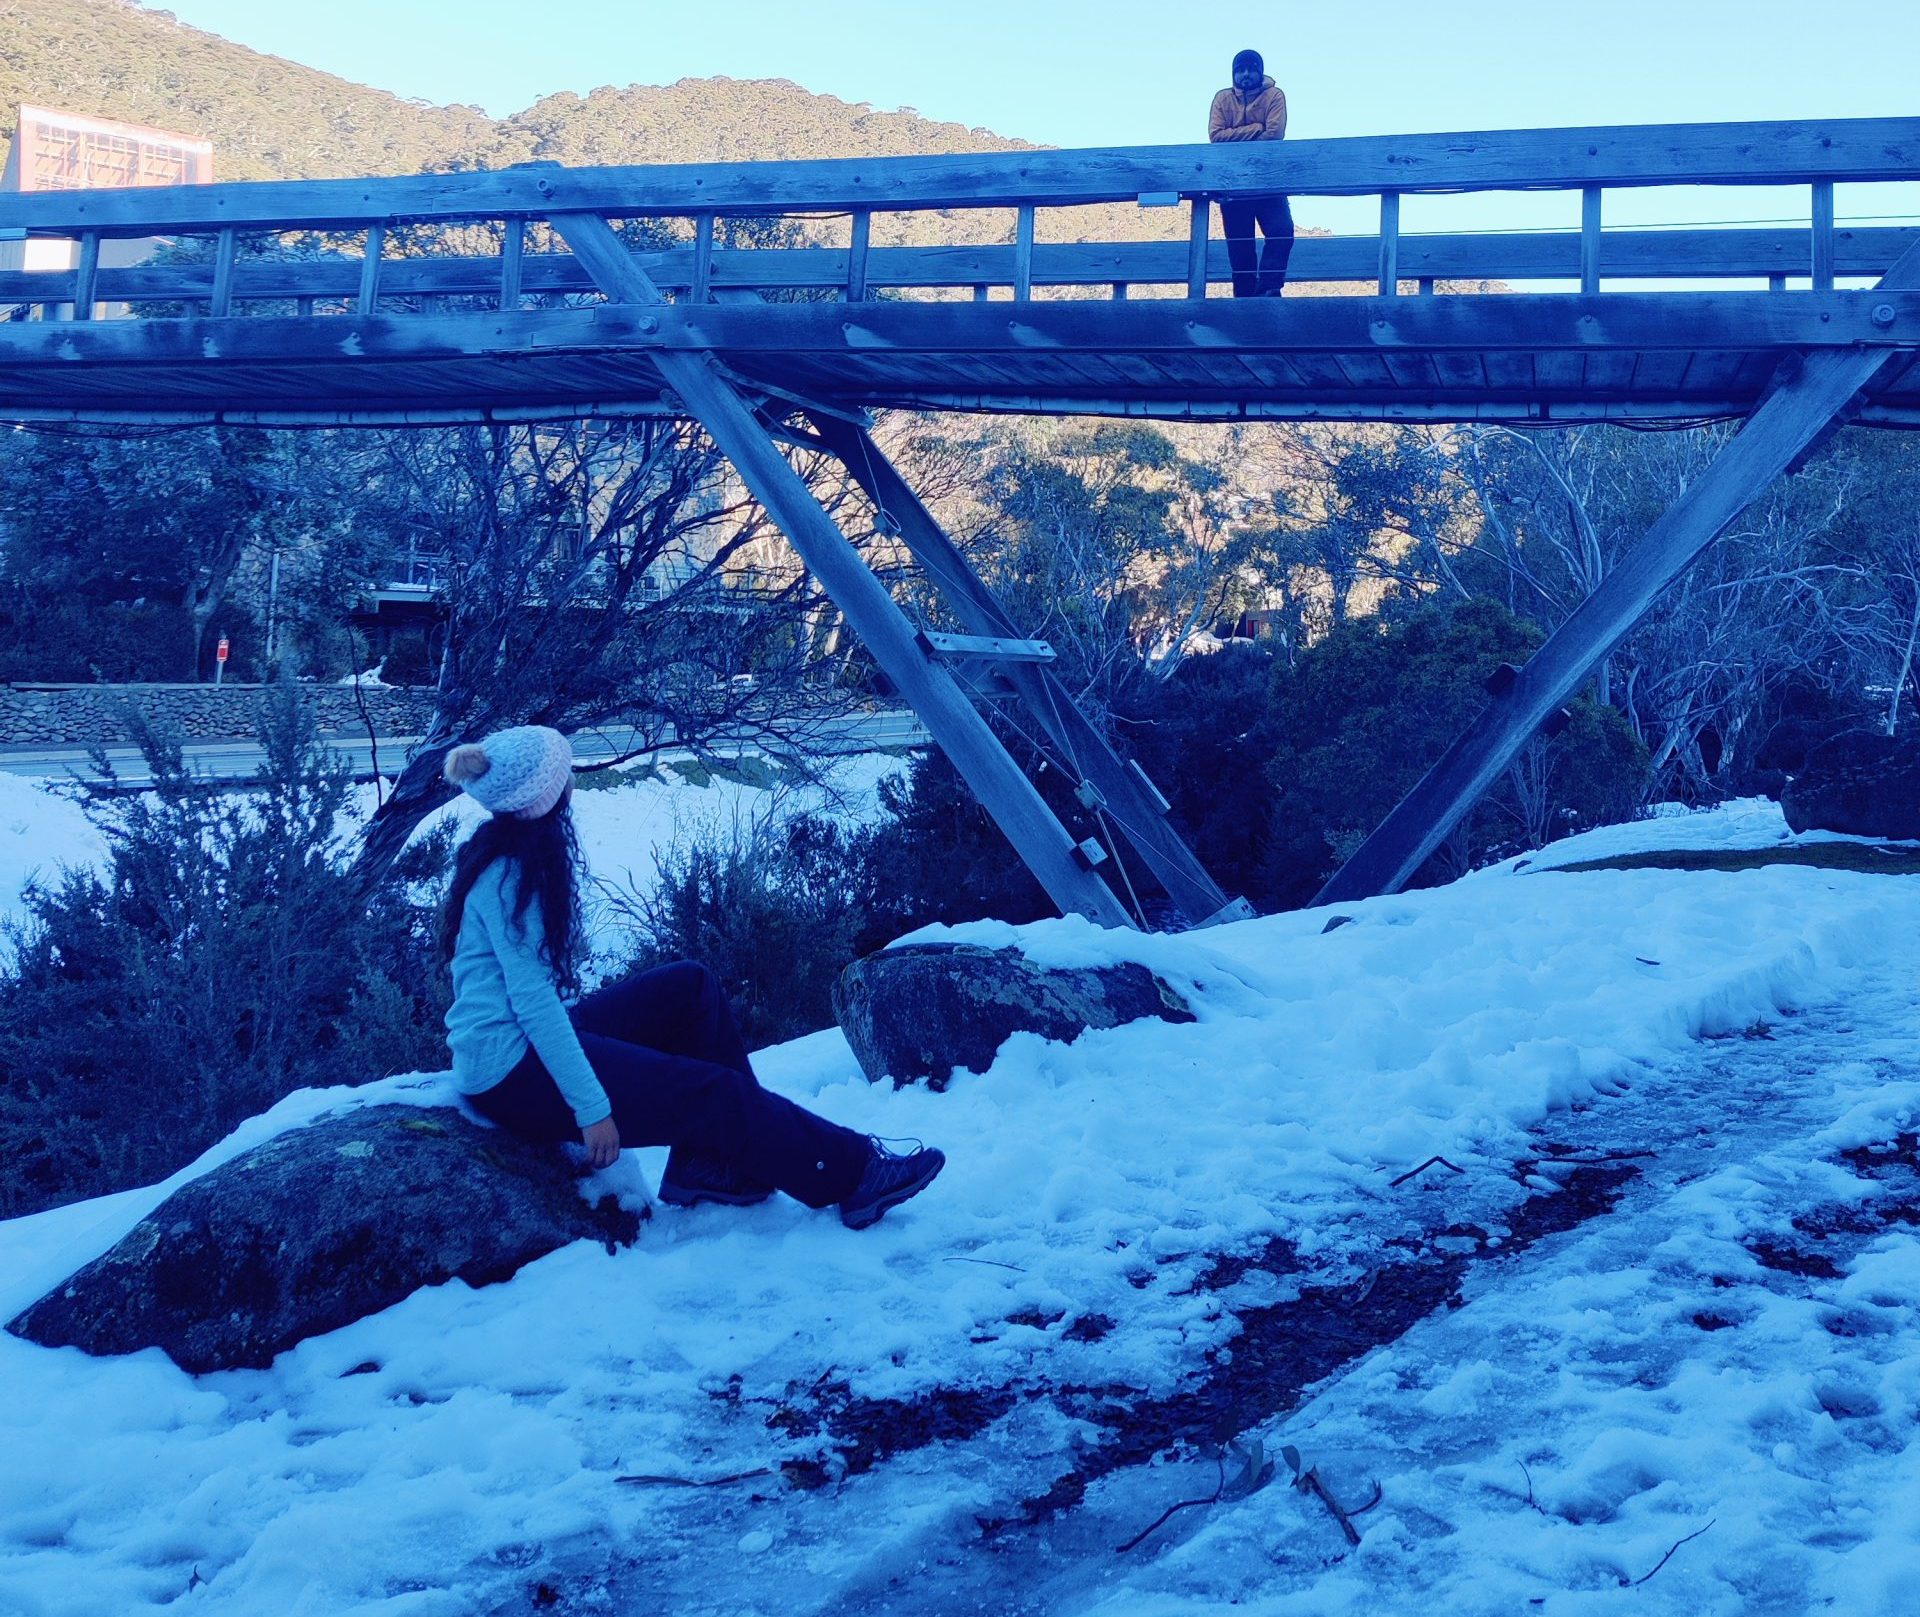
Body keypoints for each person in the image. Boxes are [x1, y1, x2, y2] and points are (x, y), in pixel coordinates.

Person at [438, 725, 944, 1229]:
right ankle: (851, 1175)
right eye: (562, 772)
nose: (570, 779)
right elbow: (534, 1004)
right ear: (542, 798)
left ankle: (718, 1166)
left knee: (688, 986)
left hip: (514, 1043)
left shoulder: (512, 849)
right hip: (510, 1071)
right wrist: (591, 1109)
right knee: (715, 1093)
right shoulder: (512, 875)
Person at [1207, 48, 1294, 298]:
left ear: (1260, 71)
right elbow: (1216, 136)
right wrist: (1256, 127)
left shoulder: (1274, 96)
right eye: (1240, 70)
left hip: (1269, 180)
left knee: (1281, 231)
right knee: (1240, 246)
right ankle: (1244, 299)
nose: (1245, 75)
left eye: (1251, 69)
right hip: (1233, 184)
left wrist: (1237, 136)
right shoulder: (1222, 99)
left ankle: (1269, 286)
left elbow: (1275, 134)